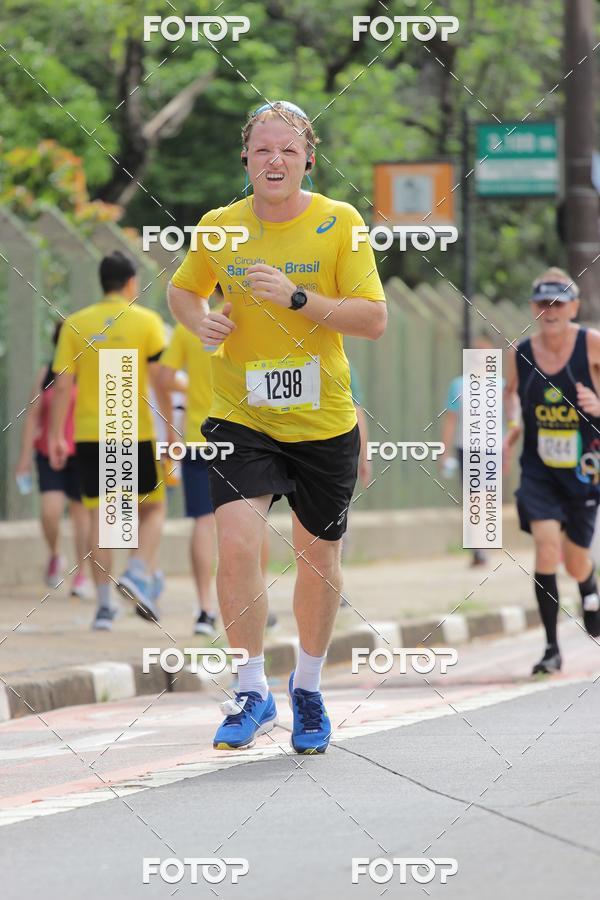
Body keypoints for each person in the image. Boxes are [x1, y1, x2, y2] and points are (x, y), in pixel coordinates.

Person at [168, 99, 387, 753]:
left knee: (316, 561)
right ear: (246, 157)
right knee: (237, 545)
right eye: (264, 149)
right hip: (241, 416)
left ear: (308, 160)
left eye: (289, 150)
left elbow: (373, 319)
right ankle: (250, 689)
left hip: (322, 422)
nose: (276, 160)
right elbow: (183, 289)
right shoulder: (218, 228)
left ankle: (309, 688)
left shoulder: (339, 223)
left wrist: (296, 299)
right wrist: (198, 319)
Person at [48, 251, 170, 630]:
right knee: (151, 509)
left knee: (103, 514)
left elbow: (63, 385)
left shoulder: (75, 324)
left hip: (89, 431)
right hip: (134, 429)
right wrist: (173, 429)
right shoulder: (147, 322)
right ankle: (137, 570)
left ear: (102, 282)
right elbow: (161, 379)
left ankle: (103, 608)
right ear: (131, 282)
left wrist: (55, 435)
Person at [504, 267, 600, 675]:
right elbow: (511, 397)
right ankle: (550, 647)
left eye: (559, 303)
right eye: (543, 303)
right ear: (533, 308)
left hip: (584, 468)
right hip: (539, 468)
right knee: (546, 547)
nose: (551, 310)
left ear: (573, 306)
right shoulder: (520, 352)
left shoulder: (592, 345)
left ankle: (589, 589)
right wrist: (509, 430)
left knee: (576, 562)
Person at [15, 321, 91, 595]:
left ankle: (81, 574)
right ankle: (55, 554)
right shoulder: (46, 373)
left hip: (81, 452)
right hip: (47, 451)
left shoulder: (89, 373)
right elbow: (32, 416)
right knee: (50, 512)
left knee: (82, 516)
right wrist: (24, 458)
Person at [440, 335, 496, 567]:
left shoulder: (498, 385)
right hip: (468, 449)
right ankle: (478, 546)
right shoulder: (459, 385)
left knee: (487, 497)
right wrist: (445, 452)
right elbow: (451, 420)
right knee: (475, 497)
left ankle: (481, 544)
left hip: (491, 449)